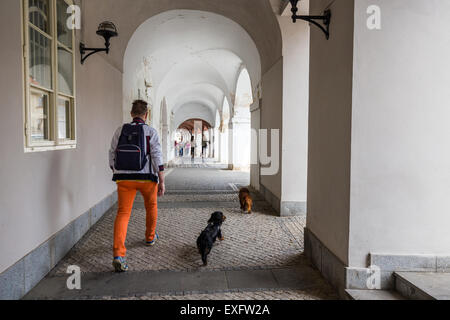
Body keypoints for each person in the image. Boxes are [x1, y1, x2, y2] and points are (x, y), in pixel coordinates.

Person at [108, 100, 165, 272]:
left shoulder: (120, 130)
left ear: (132, 113)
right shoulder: (150, 132)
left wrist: (116, 170)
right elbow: (156, 156)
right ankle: (149, 237)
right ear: (146, 115)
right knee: (151, 206)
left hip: (124, 179)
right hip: (147, 178)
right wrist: (161, 179)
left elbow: (111, 153)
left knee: (123, 213)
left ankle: (118, 254)